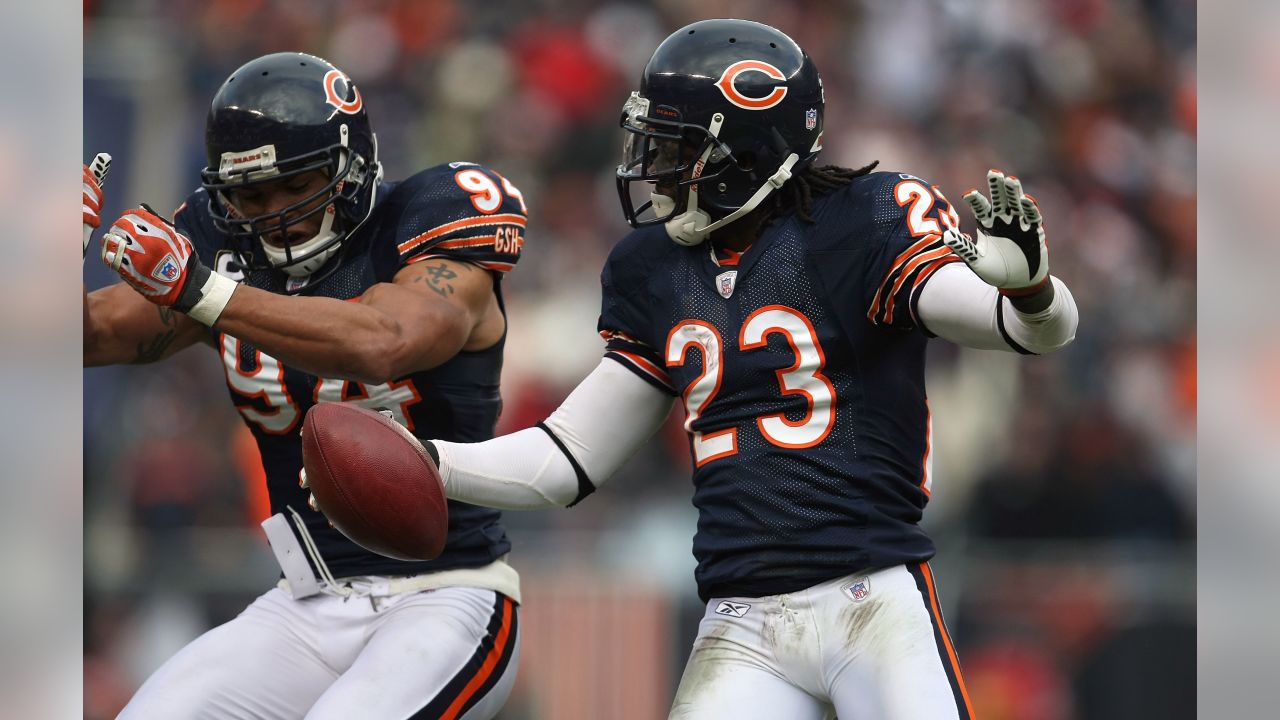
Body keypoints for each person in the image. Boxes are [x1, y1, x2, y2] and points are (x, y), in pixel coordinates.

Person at [83, 52, 527, 720]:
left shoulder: (427, 217)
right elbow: (89, 336)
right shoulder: (219, 248)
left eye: (296, 185)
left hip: (447, 594)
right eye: (251, 196)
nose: (277, 215)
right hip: (306, 598)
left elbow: (385, 342)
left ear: (349, 166)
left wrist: (203, 292)